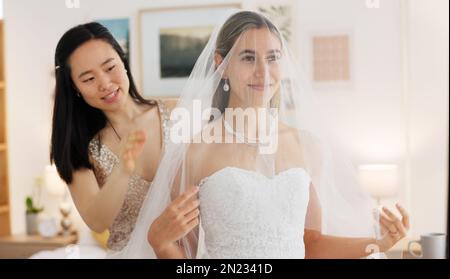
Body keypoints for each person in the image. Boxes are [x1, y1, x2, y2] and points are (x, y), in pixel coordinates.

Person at [121, 10, 409, 259]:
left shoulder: (306, 145)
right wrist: (160, 243)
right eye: (248, 58)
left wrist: (380, 243)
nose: (264, 72)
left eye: (273, 58)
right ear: (222, 66)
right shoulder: (196, 151)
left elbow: (311, 244)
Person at [50, 22, 174, 255]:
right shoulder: (80, 147)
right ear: (75, 88)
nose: (105, 84)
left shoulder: (177, 113)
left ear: (123, 62)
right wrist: (123, 170)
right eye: (88, 79)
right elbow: (97, 221)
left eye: (109, 68)